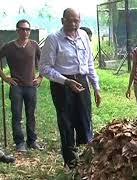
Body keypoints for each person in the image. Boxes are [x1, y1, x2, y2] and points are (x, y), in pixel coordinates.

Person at [39, 8, 101, 169]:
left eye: (77, 21)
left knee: (85, 120)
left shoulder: (84, 36)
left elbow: (89, 64)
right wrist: (66, 81)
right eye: (70, 20)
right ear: (62, 21)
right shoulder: (53, 39)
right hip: (62, 85)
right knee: (66, 123)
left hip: (82, 82)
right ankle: (71, 163)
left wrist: (96, 87)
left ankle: (85, 160)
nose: (74, 24)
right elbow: (44, 68)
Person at [0, 19, 42, 152]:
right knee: (17, 115)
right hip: (16, 86)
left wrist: (41, 77)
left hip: (31, 86)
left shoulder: (34, 45)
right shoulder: (9, 46)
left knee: (31, 114)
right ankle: (19, 143)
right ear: (17, 30)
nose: (25, 31)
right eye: (22, 29)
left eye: (27, 29)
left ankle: (32, 141)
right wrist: (5, 78)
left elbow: (44, 62)